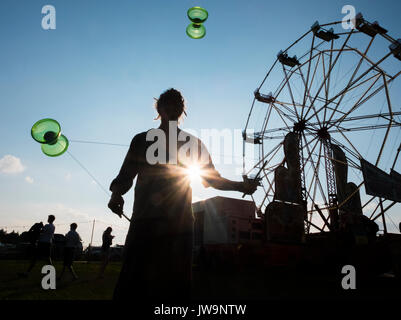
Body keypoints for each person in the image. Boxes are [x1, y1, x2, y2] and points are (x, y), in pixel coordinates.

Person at [108, 88, 259, 300]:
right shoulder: (141, 140)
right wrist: (116, 194)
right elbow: (124, 176)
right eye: (168, 103)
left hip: (177, 227)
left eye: (177, 103)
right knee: (132, 285)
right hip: (146, 223)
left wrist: (240, 187)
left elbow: (211, 179)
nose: (173, 107)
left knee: (176, 289)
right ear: (159, 108)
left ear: (182, 111)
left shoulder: (194, 144)